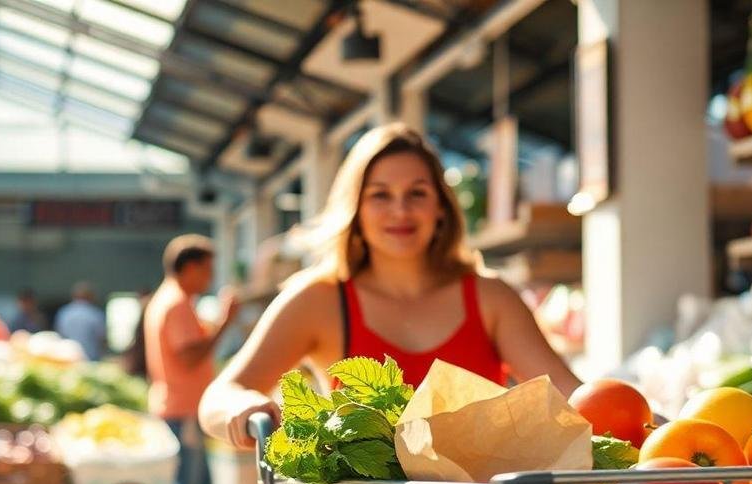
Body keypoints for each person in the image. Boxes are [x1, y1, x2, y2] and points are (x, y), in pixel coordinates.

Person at [199, 123, 581, 451]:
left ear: (441, 207)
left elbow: (569, 394)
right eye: (380, 195)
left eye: (417, 193)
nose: (400, 210)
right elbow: (219, 396)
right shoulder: (320, 301)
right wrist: (243, 407)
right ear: (356, 208)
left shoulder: (489, 297)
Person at [144, 234, 255, 484]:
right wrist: (224, 322)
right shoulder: (176, 304)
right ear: (189, 268)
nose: (210, 277)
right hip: (183, 408)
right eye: (207, 269)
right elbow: (190, 355)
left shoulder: (169, 301)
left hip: (178, 406)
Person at [54, 282, 106, 361]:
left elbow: (60, 335)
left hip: (68, 359)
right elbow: (102, 339)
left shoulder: (64, 313)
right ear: (90, 296)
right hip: (91, 359)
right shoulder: (95, 314)